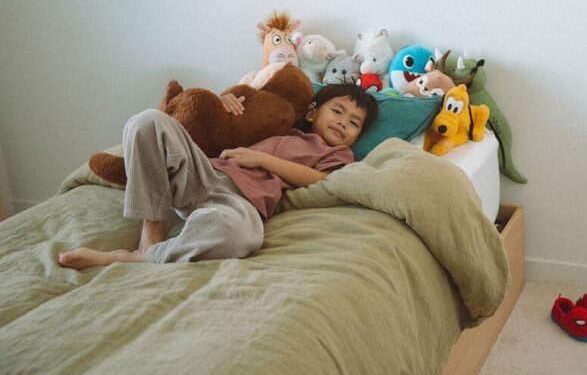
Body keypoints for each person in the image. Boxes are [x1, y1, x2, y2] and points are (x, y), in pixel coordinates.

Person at [57, 83, 378, 269]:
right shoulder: (280, 125)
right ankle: (151, 225)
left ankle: (140, 258)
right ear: (312, 112)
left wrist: (261, 158)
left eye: (354, 123)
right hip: (205, 173)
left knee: (242, 236)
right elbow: (226, 121)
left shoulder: (339, 155)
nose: (343, 123)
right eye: (337, 111)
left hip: (240, 201)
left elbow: (322, 182)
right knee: (147, 121)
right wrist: (224, 100)